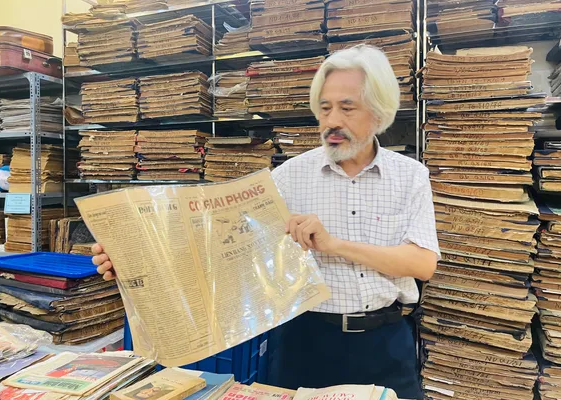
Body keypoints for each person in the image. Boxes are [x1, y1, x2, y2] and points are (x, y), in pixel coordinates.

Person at [92, 45, 439, 399]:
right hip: (304, 342)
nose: (332, 121)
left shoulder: (409, 176)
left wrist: (334, 245)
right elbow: (224, 252)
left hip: (386, 343)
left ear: (378, 113)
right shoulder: (288, 177)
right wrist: (137, 261)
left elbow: (422, 263)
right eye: (324, 108)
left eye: (346, 108)